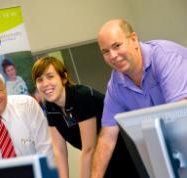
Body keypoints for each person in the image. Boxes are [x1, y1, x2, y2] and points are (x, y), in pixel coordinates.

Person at [91, 18, 187, 178]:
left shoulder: (164, 57)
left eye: (116, 46)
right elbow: (107, 138)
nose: (113, 56)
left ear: (134, 39)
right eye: (105, 52)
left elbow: (180, 119)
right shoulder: (115, 86)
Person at [31, 56, 104, 178]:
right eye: (40, 80)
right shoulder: (50, 106)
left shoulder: (81, 97)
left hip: (122, 154)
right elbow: (59, 151)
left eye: (50, 76)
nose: (45, 84)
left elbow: (89, 149)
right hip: (98, 159)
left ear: (64, 78)